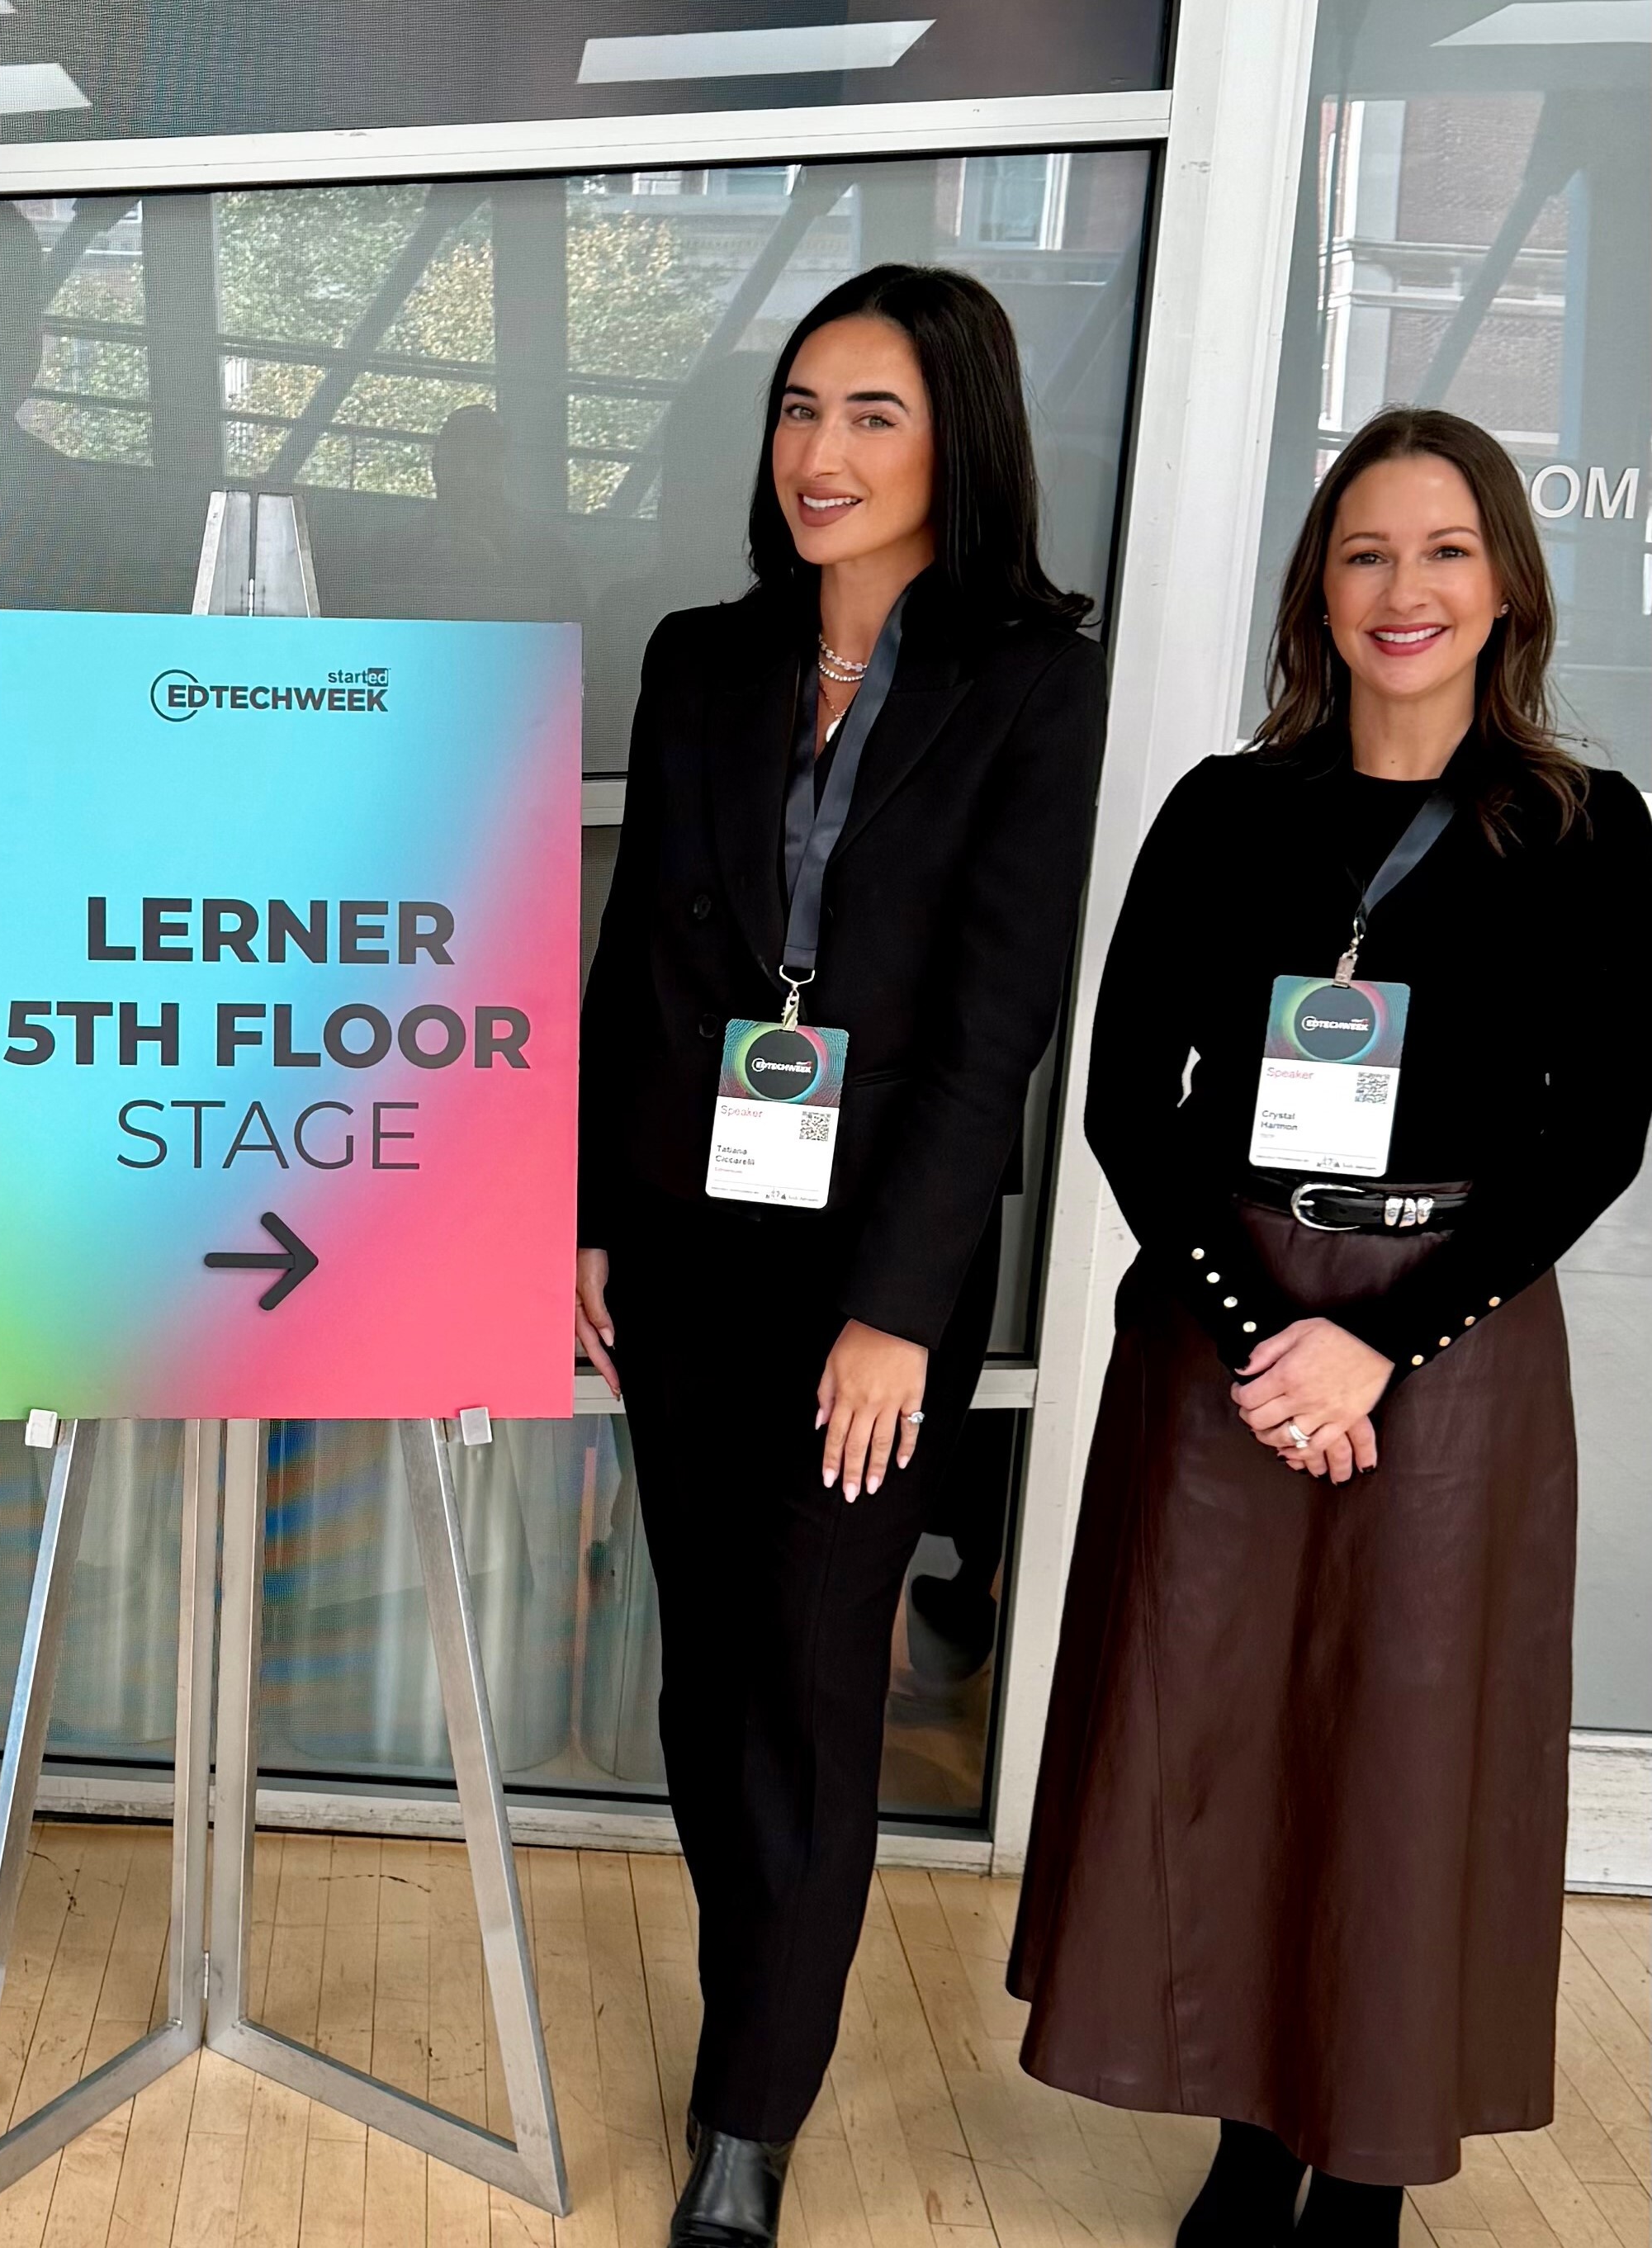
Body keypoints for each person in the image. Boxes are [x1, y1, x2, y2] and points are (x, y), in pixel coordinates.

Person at [1006, 409, 1652, 2246]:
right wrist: (1254, 1335)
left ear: (1507, 583)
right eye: (1366, 553)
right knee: (1211, 1735)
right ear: (1317, 589)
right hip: (1226, 1327)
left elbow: (1593, 1137)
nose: (1404, 590)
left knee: (1404, 1744)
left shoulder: (1590, 835)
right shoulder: (1228, 810)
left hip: (1448, 1344)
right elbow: (1131, 1104)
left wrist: (1382, 1344)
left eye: (1445, 551)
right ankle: (1242, 2128)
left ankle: (1363, 2158)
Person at [575, 264, 1107, 2248]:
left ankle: (748, 2115)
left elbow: (994, 1027)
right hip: (690, 1249)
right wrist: (587, 1217)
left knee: (808, 1677)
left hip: (868, 1287)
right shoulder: (700, 657)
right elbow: (641, 968)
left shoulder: (1031, 683)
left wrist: (899, 1310)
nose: (821, 453)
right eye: (800, 409)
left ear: (955, 436)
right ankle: (757, 2009)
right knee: (708, 1677)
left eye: (872, 414)